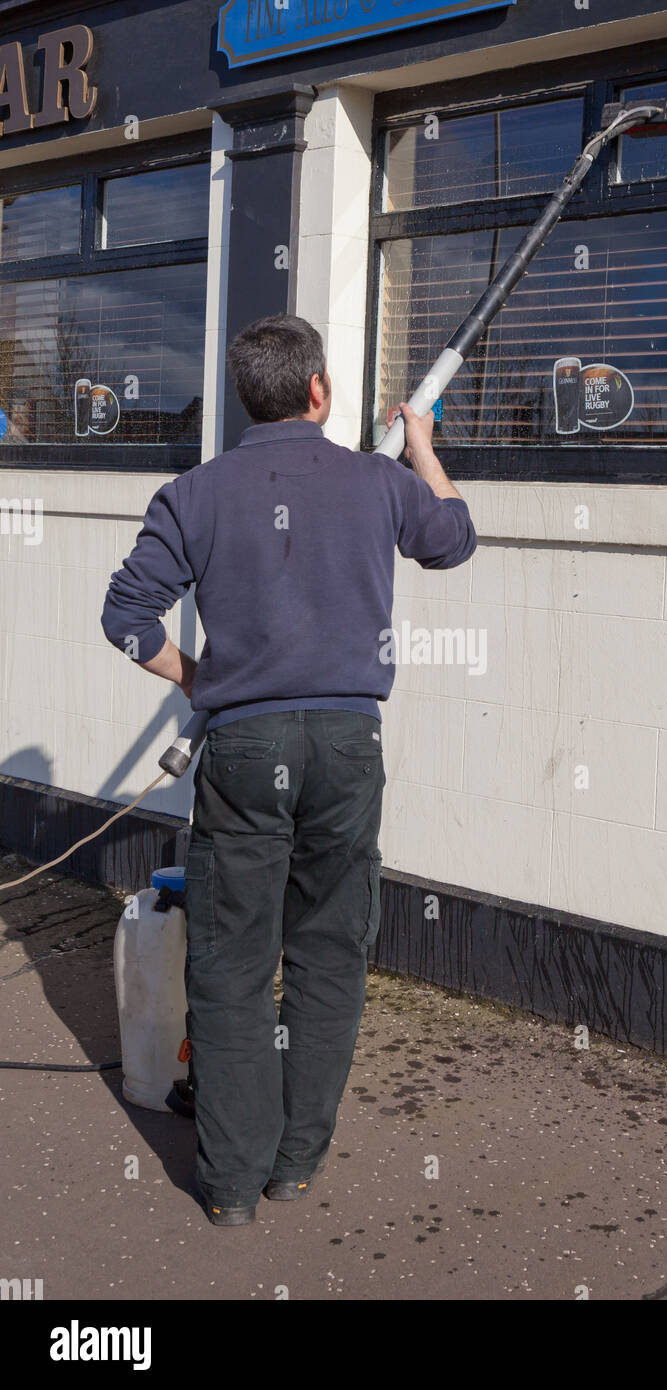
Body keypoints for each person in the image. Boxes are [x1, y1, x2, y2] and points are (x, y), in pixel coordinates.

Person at [101, 314, 477, 1226]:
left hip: (245, 747)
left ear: (247, 398)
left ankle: (229, 1189)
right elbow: (455, 538)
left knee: (230, 965)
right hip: (347, 746)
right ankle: (294, 1165)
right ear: (320, 393)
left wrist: (208, 682)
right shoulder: (379, 480)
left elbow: (127, 621)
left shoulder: (193, 493)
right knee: (327, 951)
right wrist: (423, 446)